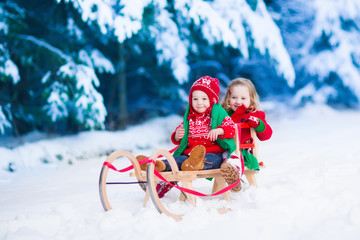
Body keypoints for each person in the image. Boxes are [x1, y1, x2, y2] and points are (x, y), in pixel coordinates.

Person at [137, 76, 243, 193]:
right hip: (189, 156)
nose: (199, 103)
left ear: (212, 100)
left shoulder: (218, 113)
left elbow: (231, 127)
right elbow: (181, 131)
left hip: (213, 153)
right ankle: (159, 165)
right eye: (195, 99)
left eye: (204, 99)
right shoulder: (190, 116)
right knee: (177, 160)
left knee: (208, 159)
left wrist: (220, 130)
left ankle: (195, 164)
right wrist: (178, 135)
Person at [221, 78, 272, 171]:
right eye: (234, 97)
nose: (238, 101)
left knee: (233, 158)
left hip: (242, 151)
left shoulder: (254, 115)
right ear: (228, 98)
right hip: (222, 150)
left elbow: (266, 135)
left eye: (243, 98)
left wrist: (258, 124)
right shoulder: (223, 113)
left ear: (251, 99)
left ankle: (232, 174)